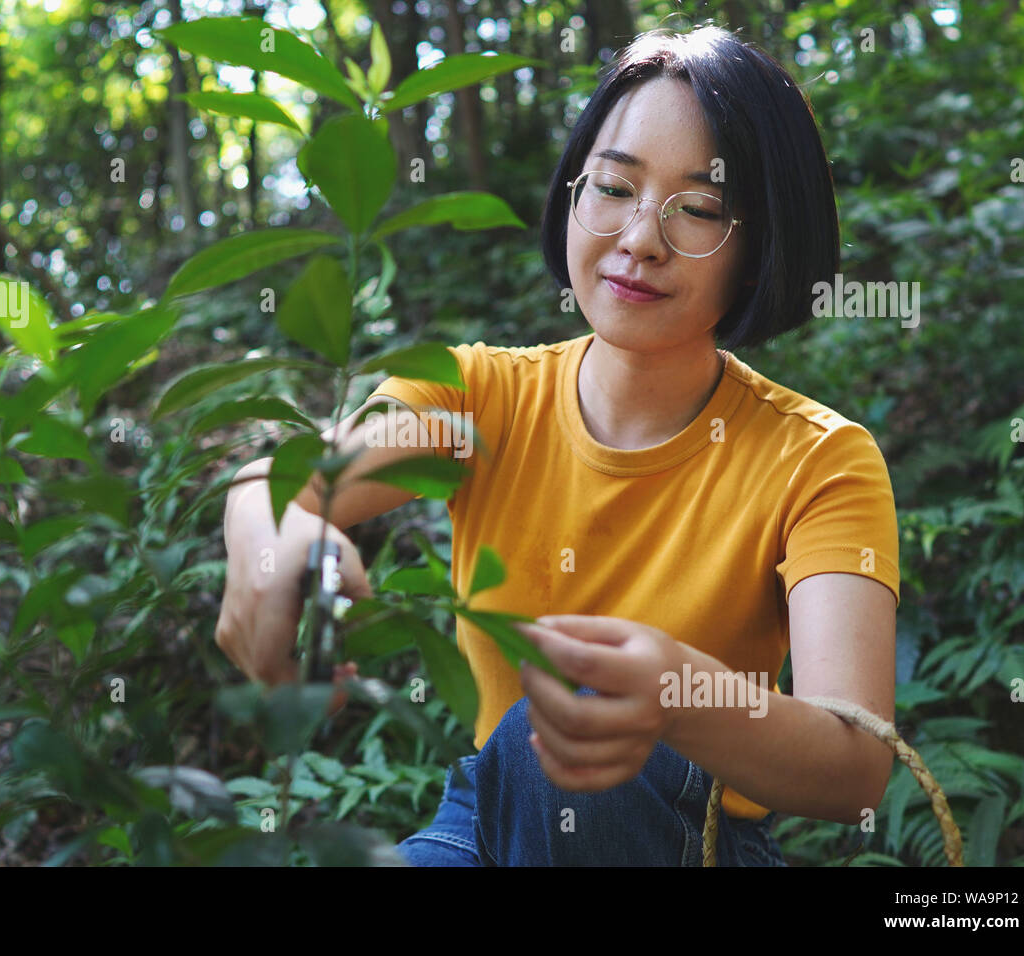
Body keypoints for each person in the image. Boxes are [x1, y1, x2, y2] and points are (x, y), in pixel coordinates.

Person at [215, 24, 900, 866]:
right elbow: (281, 483)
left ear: (760, 251)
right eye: (613, 187)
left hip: (692, 829)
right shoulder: (475, 396)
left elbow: (857, 763)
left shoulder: (819, 460)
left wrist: (670, 696)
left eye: (699, 209)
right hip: (485, 815)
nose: (640, 237)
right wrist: (266, 536)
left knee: (564, 724)